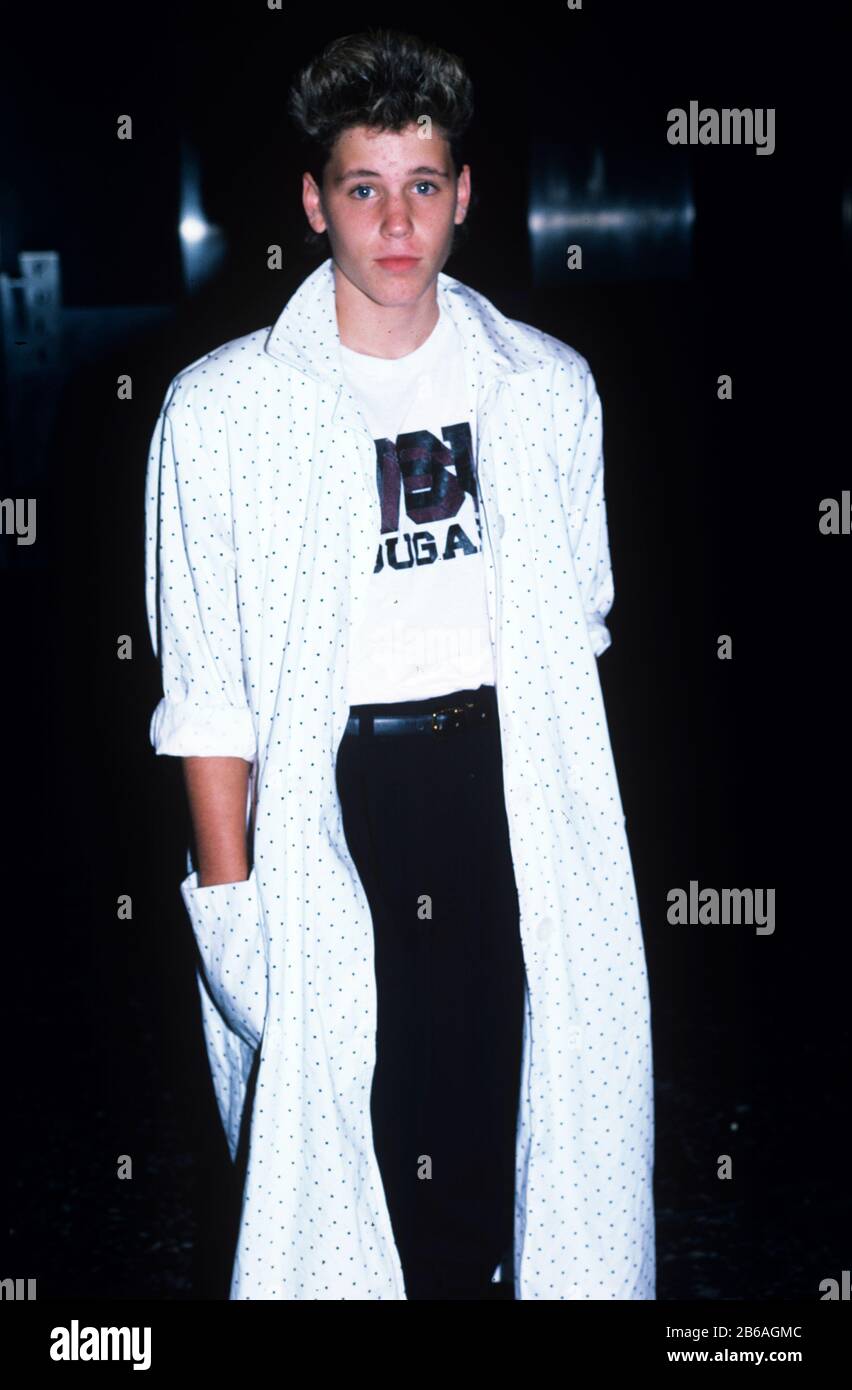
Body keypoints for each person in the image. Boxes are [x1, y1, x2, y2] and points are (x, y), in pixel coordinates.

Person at [145, 26, 656, 1301]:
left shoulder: (545, 390)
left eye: (423, 185)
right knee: (345, 1157)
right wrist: (234, 904)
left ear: (465, 197)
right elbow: (207, 696)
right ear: (313, 202)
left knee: (515, 1134)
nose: (394, 221)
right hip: (334, 811)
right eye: (362, 188)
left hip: (507, 794)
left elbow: (577, 641)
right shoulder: (222, 412)